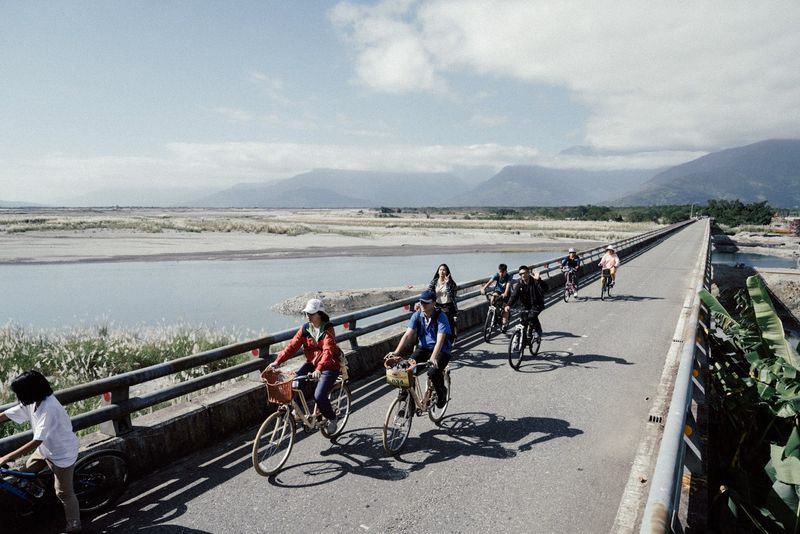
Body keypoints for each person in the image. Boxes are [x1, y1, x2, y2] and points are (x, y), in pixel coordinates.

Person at [0, 370, 81, 533]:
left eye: (19, 393)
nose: (18, 397)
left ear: (30, 391)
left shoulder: (49, 408)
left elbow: (37, 440)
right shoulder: (33, 401)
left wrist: (7, 456)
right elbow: (10, 414)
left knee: (64, 493)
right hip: (45, 450)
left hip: (61, 453)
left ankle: (74, 525)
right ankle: (44, 497)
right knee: (25, 474)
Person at [266, 298, 341, 434]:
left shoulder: (328, 329)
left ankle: (332, 418)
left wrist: (319, 369)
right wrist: (278, 361)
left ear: (319, 314)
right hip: (312, 364)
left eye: (311, 313)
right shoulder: (306, 329)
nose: (308, 316)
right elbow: (292, 346)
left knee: (319, 396)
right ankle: (298, 411)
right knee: (294, 384)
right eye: (307, 313)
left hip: (329, 366)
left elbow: (328, 351)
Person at [385, 289, 452, 408]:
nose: (422, 304)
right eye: (421, 302)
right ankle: (409, 405)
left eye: (425, 302)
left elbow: (440, 339)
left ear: (433, 303)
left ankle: (442, 393)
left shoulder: (441, 316)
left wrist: (433, 357)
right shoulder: (417, 315)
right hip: (423, 348)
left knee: (433, 372)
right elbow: (407, 335)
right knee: (407, 370)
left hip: (441, 350)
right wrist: (396, 352)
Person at [505, 265, 549, 338]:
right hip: (525, 306)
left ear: (528, 273)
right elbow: (514, 296)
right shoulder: (519, 285)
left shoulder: (535, 281)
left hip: (537, 305)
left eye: (525, 273)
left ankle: (538, 330)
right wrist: (508, 305)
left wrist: (539, 280)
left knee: (531, 317)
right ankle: (519, 342)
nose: (523, 275)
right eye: (521, 274)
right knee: (523, 322)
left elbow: (546, 289)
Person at [427, 263, 458, 339]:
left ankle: (450, 337)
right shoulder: (434, 282)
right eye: (440, 270)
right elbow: (429, 292)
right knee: (432, 320)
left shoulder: (451, 283)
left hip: (448, 306)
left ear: (447, 272)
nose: (442, 271)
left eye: (444, 270)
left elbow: (452, 294)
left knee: (446, 319)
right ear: (438, 272)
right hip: (437, 305)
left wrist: (447, 284)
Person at [480, 263, 513, 332]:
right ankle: (493, 315)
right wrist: (483, 288)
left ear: (506, 271)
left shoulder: (508, 276)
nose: (501, 274)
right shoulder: (497, 275)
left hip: (506, 293)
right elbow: (490, 282)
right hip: (497, 291)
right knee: (492, 298)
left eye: (502, 272)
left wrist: (505, 293)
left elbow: (508, 285)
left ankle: (504, 324)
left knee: (504, 309)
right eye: (500, 272)